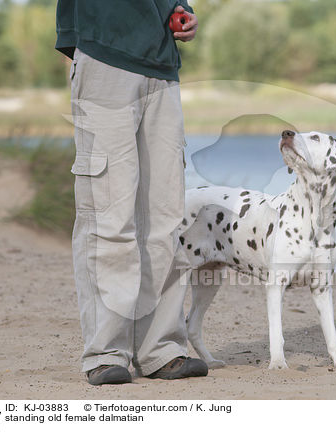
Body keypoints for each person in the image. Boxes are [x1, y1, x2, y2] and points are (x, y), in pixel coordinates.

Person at [55, 1, 207, 385]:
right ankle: (106, 352)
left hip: (161, 66)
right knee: (109, 213)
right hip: (105, 55)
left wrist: (180, 7)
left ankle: (161, 349)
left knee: (165, 216)